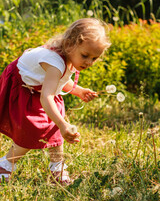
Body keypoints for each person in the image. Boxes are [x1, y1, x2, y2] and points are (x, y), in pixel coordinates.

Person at [0, 18, 111, 185]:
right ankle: (5, 164)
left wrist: (78, 90)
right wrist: (62, 123)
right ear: (69, 44)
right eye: (85, 55)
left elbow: (60, 80)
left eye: (94, 58)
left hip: (42, 90)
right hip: (25, 89)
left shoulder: (68, 58)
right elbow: (47, 96)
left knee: (54, 130)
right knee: (32, 131)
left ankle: (57, 169)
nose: (89, 62)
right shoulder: (54, 62)